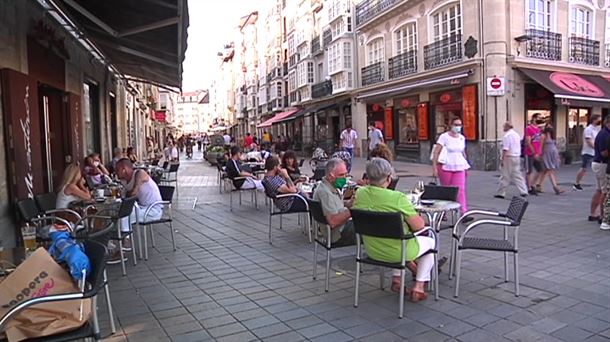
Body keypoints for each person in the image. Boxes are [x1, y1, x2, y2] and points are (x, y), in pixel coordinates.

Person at [353, 158, 435, 302]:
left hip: (373, 250)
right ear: (389, 178)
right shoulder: (397, 198)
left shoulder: (360, 193)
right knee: (430, 242)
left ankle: (397, 280)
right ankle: (419, 287)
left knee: (396, 237)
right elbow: (419, 226)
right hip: (398, 252)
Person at [431, 117, 470, 216]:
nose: (458, 127)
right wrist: (434, 167)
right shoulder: (444, 137)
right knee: (446, 190)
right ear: (451, 125)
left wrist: (466, 167)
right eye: (456, 124)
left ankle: (463, 212)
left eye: (460, 125)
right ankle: (442, 212)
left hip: (459, 165)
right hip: (445, 166)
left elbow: (463, 152)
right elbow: (436, 152)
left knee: (460, 190)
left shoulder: (462, 138)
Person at [312, 158, 356, 246]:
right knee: (369, 227)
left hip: (340, 228)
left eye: (346, 175)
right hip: (337, 234)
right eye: (341, 175)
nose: (345, 178)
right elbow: (333, 221)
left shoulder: (330, 186)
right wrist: (353, 211)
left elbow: (336, 206)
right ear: (330, 176)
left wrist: (348, 203)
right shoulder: (325, 192)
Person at [115, 158, 163, 232]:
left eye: (117, 170)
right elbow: (125, 197)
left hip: (153, 210)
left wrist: (125, 194)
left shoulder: (140, 174)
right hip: (142, 207)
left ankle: (125, 241)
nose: (115, 172)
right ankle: (114, 239)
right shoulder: (124, 181)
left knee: (124, 216)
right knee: (117, 213)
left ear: (123, 169)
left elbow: (134, 193)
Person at [495, 122, 529, 199]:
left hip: (509, 157)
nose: (503, 128)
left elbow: (505, 149)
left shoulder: (507, 136)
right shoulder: (516, 135)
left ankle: (501, 192)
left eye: (504, 126)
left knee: (505, 175)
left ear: (507, 127)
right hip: (516, 156)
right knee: (517, 174)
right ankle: (524, 190)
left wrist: (502, 159)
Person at [575, 115, 601, 191]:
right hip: (588, 152)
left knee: (597, 168)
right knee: (584, 168)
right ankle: (577, 183)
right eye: (598, 120)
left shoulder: (595, 129)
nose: (600, 121)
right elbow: (589, 141)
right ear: (594, 120)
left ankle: (599, 184)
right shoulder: (588, 129)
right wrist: (597, 149)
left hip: (594, 152)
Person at [592, 116, 610, 223]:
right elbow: (604, 152)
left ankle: (593, 213)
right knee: (605, 191)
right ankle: (603, 216)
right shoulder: (605, 134)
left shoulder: (603, 133)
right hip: (602, 163)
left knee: (599, 190)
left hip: (598, 162)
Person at [536, 125, 564, 194]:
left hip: (552, 154)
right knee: (550, 170)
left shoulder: (552, 136)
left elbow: (554, 146)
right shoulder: (543, 136)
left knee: (545, 171)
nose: (549, 130)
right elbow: (541, 146)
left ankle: (538, 185)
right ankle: (555, 187)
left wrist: (557, 155)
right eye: (548, 129)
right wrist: (539, 154)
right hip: (546, 154)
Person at [525, 113, 545, 194]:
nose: (540, 119)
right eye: (538, 118)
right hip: (530, 153)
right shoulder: (529, 128)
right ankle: (529, 188)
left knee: (540, 170)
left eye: (541, 118)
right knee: (529, 171)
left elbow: (540, 142)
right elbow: (528, 142)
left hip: (538, 153)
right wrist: (534, 153)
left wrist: (540, 152)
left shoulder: (539, 129)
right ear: (533, 118)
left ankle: (532, 184)